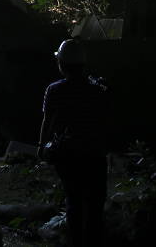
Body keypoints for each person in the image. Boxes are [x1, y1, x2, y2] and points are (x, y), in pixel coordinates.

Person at [38, 38, 108, 247]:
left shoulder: (54, 90)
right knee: (95, 204)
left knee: (74, 202)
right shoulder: (97, 90)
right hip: (94, 153)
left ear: (61, 64)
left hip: (68, 154)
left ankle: (76, 241)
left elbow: (47, 121)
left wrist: (42, 146)